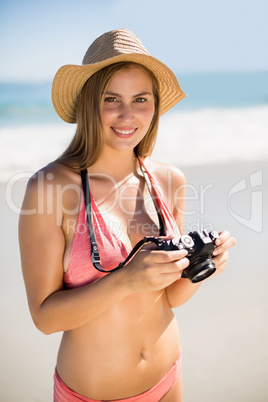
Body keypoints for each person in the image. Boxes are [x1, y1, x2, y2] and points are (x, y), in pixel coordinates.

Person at [19, 29, 236, 402]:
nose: (127, 115)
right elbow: (45, 318)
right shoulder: (49, 189)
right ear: (89, 103)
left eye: (140, 99)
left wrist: (204, 266)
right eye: (111, 99)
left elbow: (168, 297)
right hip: (92, 394)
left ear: (154, 106)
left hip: (168, 379)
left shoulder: (168, 181)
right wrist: (125, 280)